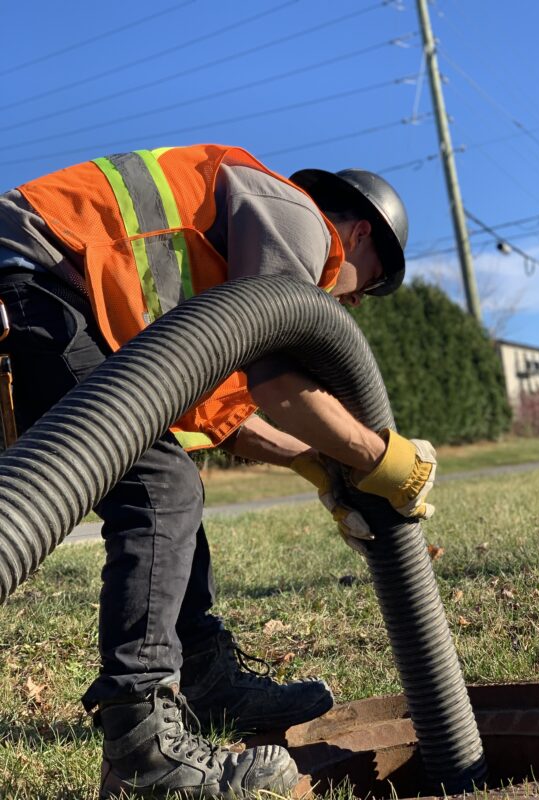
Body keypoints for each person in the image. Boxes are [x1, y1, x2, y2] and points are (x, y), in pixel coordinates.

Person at [0, 144, 436, 799]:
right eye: (368, 285)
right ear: (360, 233)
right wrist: (381, 459)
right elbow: (278, 385)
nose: (355, 304)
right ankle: (145, 748)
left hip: (47, 280)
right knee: (159, 485)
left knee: (170, 475)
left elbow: (231, 418)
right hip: (35, 272)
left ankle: (201, 679)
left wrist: (318, 463)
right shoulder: (297, 221)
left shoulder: (227, 263)